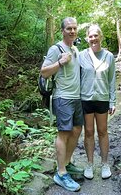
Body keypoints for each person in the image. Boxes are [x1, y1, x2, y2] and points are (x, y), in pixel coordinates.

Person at [40, 17, 84, 192]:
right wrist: (59, 63)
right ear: (62, 31)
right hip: (62, 97)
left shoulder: (75, 49)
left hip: (76, 97)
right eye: (68, 29)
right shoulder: (55, 49)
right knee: (64, 132)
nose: (72, 31)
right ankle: (61, 173)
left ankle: (66, 162)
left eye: (74, 28)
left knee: (77, 129)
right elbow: (43, 73)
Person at [79, 24, 116, 180]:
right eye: (90, 36)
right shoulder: (80, 55)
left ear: (101, 36)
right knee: (88, 132)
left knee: (102, 131)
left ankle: (105, 164)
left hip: (102, 98)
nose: (93, 38)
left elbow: (112, 79)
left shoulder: (109, 56)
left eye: (96, 35)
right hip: (85, 98)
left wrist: (112, 101)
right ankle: (89, 164)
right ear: (87, 38)